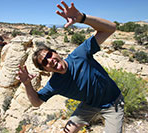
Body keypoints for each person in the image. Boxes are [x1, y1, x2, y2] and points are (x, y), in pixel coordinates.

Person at [16, 1, 124, 133]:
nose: (50, 60)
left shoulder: (80, 54)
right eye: (44, 62)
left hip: (113, 102)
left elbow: (111, 28)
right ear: (46, 70)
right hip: (90, 104)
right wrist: (27, 84)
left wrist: (82, 18)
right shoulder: (54, 84)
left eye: (49, 55)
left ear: (56, 53)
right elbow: (37, 102)